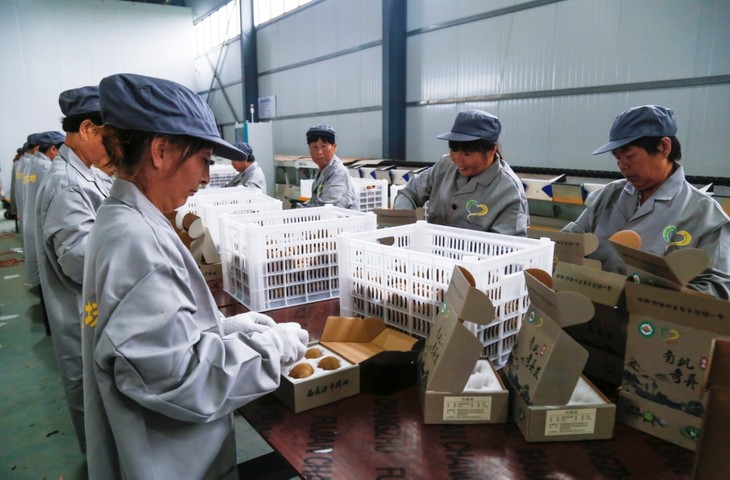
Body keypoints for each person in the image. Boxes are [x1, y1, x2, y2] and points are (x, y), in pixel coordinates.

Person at [82, 73, 308, 480]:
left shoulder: (124, 219)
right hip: (170, 460)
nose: (205, 177)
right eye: (203, 159)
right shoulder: (138, 243)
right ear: (161, 151)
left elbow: (155, 339)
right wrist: (271, 349)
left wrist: (221, 328)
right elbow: (181, 379)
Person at [562, 105, 730, 298]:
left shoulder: (705, 214)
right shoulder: (608, 195)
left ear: (664, 147)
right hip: (593, 309)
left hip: (653, 316)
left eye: (629, 156)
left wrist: (652, 295)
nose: (622, 165)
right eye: (618, 158)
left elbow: (719, 290)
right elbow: (569, 242)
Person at [35, 86, 110, 453]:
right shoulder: (67, 184)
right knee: (99, 418)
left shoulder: (83, 173)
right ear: (87, 129)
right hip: (84, 318)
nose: (115, 148)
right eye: (110, 137)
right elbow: (81, 264)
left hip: (93, 314)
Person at [393, 110, 529, 236]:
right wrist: (403, 227)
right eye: (453, 150)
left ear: (491, 151)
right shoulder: (445, 166)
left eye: (467, 153)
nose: (457, 159)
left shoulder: (509, 191)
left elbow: (506, 247)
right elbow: (409, 193)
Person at [22, 131, 65, 288]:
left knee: (38, 266)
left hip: (29, 219)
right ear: (53, 149)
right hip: (40, 223)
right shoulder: (47, 168)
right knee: (46, 273)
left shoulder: (30, 164)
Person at [300, 124, 358, 210]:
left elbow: (326, 209)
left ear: (334, 147)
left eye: (324, 146)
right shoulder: (323, 171)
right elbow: (315, 202)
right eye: (314, 147)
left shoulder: (338, 172)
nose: (319, 152)